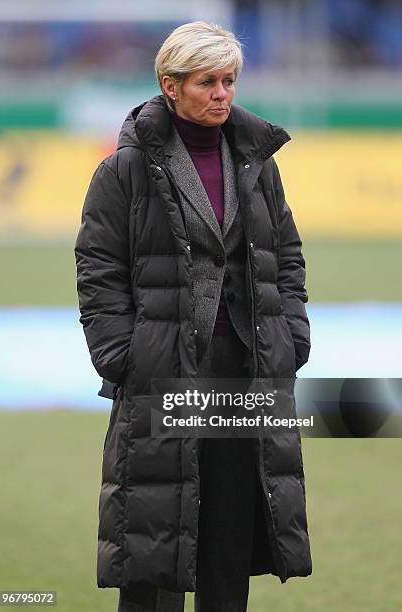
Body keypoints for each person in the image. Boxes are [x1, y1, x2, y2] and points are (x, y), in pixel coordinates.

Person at [74, 21, 312, 612]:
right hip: (162, 369)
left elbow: (286, 256)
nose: (222, 93)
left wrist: (292, 336)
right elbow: (98, 268)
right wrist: (122, 355)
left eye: (229, 80)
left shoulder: (259, 163)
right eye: (207, 81)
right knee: (157, 535)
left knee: (231, 535)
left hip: (245, 369)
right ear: (170, 84)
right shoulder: (122, 171)